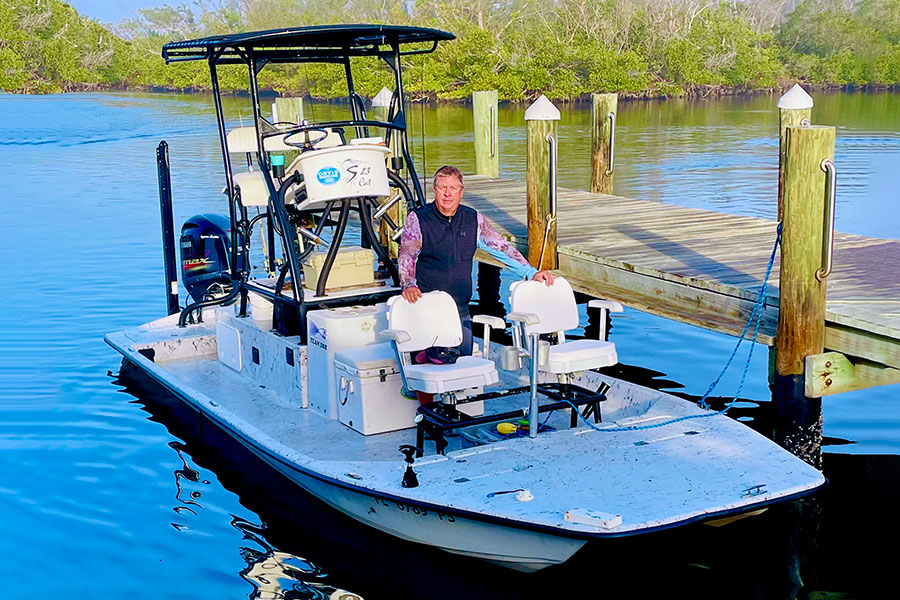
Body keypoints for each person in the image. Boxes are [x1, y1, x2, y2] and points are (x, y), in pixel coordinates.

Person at [399, 165, 555, 356]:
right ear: (435, 190)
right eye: (443, 188)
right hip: (427, 306)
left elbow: (501, 247)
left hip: (460, 307)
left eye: (453, 188)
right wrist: (408, 284)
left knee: (464, 360)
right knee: (433, 364)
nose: (448, 194)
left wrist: (531, 273)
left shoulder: (473, 219)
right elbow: (407, 254)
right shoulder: (418, 219)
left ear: (461, 191)